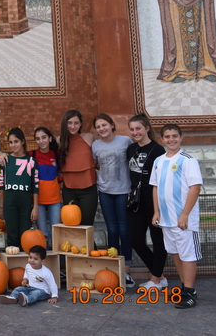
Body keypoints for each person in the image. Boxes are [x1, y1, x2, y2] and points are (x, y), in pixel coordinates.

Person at [151, 124, 203, 309]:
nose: (171, 139)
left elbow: (195, 188)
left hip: (183, 220)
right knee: (176, 253)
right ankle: (184, 288)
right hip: (166, 219)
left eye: (174, 136)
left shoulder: (188, 160)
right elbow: (155, 187)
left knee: (188, 255)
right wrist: (156, 212)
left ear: (181, 138)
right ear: (162, 139)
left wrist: (185, 214)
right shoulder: (158, 161)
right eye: (167, 136)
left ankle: (190, 292)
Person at [92, 113, 134, 287]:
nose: (102, 129)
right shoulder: (95, 145)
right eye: (98, 126)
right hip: (105, 190)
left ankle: (126, 271)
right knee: (112, 230)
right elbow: (95, 164)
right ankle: (113, 268)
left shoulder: (125, 141)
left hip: (123, 190)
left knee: (124, 230)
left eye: (104, 125)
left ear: (111, 125)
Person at [126, 114, 168, 290]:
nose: (135, 132)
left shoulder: (158, 151)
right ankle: (159, 274)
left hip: (153, 199)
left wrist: (159, 207)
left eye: (138, 128)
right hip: (135, 200)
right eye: (133, 129)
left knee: (158, 239)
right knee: (135, 239)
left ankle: (156, 278)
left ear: (146, 128)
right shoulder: (130, 149)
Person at [0, 128, 38, 249]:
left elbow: (35, 186)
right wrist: (1, 206)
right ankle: (13, 265)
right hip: (10, 201)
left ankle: (26, 265)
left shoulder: (31, 161)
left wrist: (35, 207)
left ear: (23, 142)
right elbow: (1, 185)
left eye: (16, 141)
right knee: (12, 235)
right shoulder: (6, 160)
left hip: (25, 201)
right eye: (11, 142)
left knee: (25, 234)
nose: (13, 145)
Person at [59, 109, 97, 226]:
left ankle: (90, 245)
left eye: (76, 123)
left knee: (87, 224)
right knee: (72, 224)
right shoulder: (60, 141)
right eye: (70, 123)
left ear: (81, 124)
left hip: (88, 189)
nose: (73, 126)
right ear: (65, 124)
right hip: (69, 190)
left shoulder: (89, 137)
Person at [31, 127, 61, 248]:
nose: (41, 141)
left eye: (44, 137)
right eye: (38, 139)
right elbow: (16, 156)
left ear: (49, 138)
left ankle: (57, 263)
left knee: (56, 233)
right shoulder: (32, 155)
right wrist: (3, 156)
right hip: (39, 202)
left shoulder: (56, 154)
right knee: (43, 235)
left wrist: (59, 144)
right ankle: (45, 263)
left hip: (55, 201)